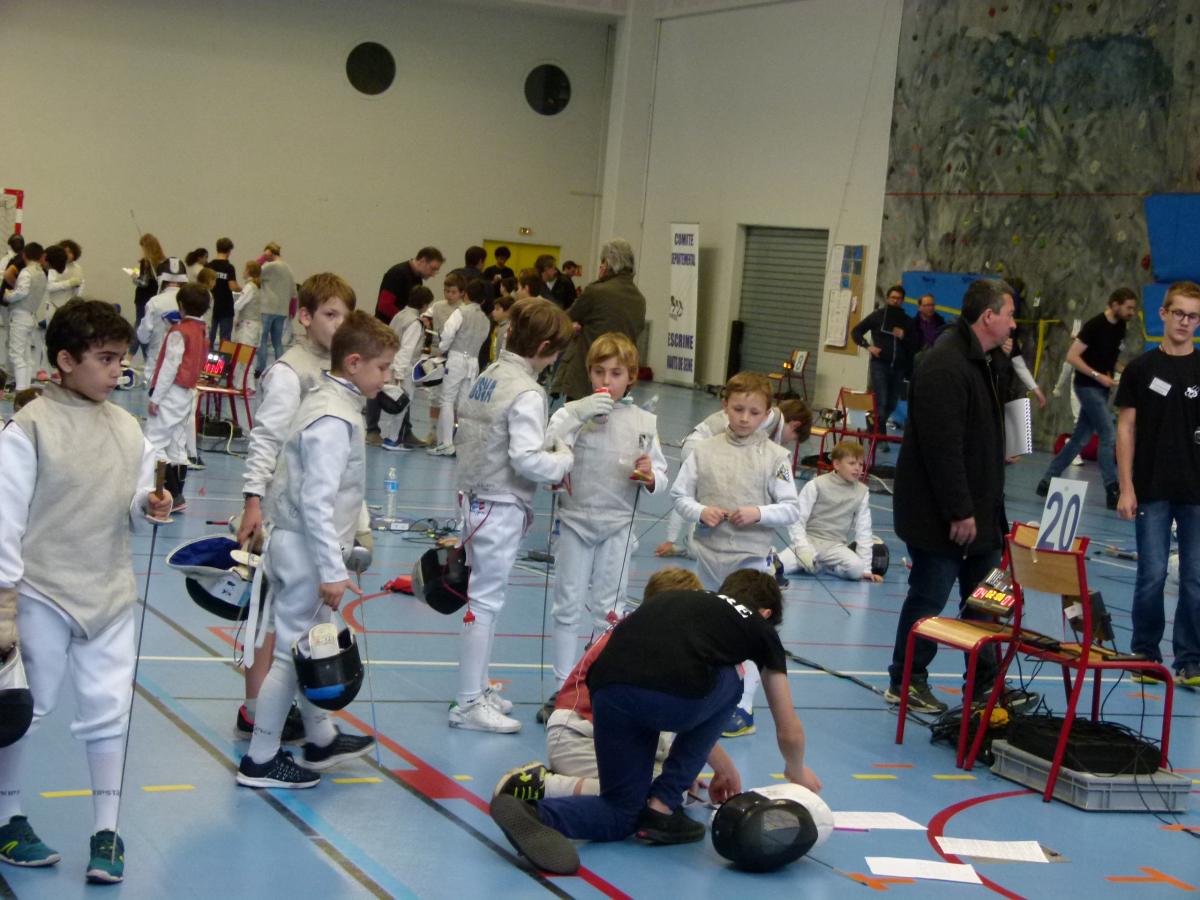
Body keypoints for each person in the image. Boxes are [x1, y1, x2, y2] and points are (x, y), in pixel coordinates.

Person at [489, 570, 821, 874]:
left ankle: (536, 814)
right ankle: (663, 806)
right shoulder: (758, 627)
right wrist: (797, 770)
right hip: (663, 696)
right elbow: (787, 728)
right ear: (766, 614)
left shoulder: (680, 599)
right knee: (735, 679)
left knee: (622, 812)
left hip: (608, 689)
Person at [0, 299, 172, 883]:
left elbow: (132, 499)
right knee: (25, 710)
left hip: (110, 593)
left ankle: (107, 830)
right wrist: (3, 602)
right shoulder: (30, 427)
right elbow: (5, 520)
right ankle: (7, 817)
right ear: (66, 360)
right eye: (104, 358)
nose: (116, 371)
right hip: (42, 591)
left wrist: (150, 504)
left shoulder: (126, 427)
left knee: (109, 713)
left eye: (121, 359)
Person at [236, 311, 397, 789]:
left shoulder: (333, 400)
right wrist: (331, 569)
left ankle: (321, 739)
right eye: (383, 367)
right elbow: (315, 501)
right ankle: (261, 759)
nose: (387, 376)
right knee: (292, 656)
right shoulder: (332, 418)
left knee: (310, 647)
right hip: (304, 550)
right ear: (354, 363)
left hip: (301, 546)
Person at [884, 278, 1016, 714]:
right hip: (940, 514)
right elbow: (942, 447)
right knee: (929, 598)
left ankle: (985, 685)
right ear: (989, 316)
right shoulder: (944, 364)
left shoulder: (988, 362)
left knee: (989, 599)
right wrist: (960, 510)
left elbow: (1007, 416)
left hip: (985, 510)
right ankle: (906, 680)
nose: (1014, 324)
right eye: (1010, 315)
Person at [235, 274, 357, 740]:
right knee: (267, 616)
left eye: (346, 315)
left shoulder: (341, 370)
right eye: (330, 314)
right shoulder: (290, 371)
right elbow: (266, 440)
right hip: (280, 512)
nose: (339, 324)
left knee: (299, 619)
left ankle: (303, 720)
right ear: (305, 317)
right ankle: (254, 710)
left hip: (315, 515)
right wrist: (253, 502)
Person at [496, 567, 734, 801]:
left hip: (599, 736)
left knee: (676, 786)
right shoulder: (646, 644)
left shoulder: (645, 632)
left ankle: (583, 783)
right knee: (660, 795)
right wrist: (723, 769)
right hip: (578, 737)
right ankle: (544, 786)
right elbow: (686, 719)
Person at [450, 297, 575, 733]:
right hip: (498, 504)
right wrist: (563, 460)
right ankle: (469, 703)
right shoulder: (527, 391)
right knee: (484, 602)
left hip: (476, 499)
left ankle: (477, 688)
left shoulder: (489, 375)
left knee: (483, 600)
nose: (555, 361)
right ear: (543, 347)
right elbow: (526, 458)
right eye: (555, 353)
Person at [670, 372, 801, 737]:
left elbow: (791, 508)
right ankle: (709, 694)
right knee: (708, 628)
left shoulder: (775, 456)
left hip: (750, 559)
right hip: (709, 555)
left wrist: (758, 512)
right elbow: (680, 496)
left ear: (767, 414)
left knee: (748, 632)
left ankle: (743, 707)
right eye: (738, 409)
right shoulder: (704, 450)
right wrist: (701, 511)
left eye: (754, 412)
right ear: (725, 406)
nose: (744, 418)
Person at [544, 332, 669, 712]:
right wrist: (575, 415)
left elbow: (662, 478)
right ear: (589, 372)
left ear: (630, 376)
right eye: (599, 371)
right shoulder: (572, 413)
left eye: (616, 373)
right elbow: (546, 447)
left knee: (609, 609)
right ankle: (562, 689)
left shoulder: (644, 421)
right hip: (574, 521)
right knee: (567, 605)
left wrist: (651, 475)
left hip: (618, 525)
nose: (606, 380)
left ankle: (595, 686)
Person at [1116, 281, 1200, 687]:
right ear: (1163, 314)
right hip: (1151, 489)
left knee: (1195, 578)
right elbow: (1126, 429)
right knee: (1151, 574)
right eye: (1179, 313)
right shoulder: (1140, 369)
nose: (1185, 321)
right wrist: (1126, 487)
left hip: (1195, 492)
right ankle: (1145, 654)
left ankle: (1190, 659)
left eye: (1193, 316)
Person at [657, 398, 812, 558]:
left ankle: (673, 541)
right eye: (793, 438)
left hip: (694, 442)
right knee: (701, 500)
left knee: (691, 495)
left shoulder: (770, 426)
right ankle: (694, 546)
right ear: (795, 425)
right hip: (702, 445)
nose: (789, 441)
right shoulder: (770, 417)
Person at [1035, 287, 1138, 510]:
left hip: (1101, 389)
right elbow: (1072, 356)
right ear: (1115, 304)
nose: (1132, 312)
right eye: (1128, 307)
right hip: (1086, 386)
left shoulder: (1121, 327)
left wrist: (1126, 371)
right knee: (1108, 433)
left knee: (1080, 440)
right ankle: (1112, 489)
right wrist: (1097, 375)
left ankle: (1047, 480)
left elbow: (1109, 360)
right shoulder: (1094, 326)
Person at [553, 239, 647, 401]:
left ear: (608, 264)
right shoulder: (639, 299)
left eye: (603, 262)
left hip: (589, 376)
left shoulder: (596, 291)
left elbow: (567, 317)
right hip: (619, 377)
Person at [144, 284, 209, 513]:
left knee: (154, 443)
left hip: (172, 392)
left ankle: (170, 494)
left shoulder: (180, 331)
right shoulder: (202, 331)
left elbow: (169, 367)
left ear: (180, 305)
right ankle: (177, 497)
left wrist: (156, 398)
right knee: (177, 446)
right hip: (188, 393)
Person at [775, 441, 880, 582]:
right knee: (776, 568)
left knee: (857, 570)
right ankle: (808, 562)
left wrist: (866, 568)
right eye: (852, 463)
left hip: (835, 547)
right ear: (836, 464)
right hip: (809, 541)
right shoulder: (816, 485)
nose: (857, 468)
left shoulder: (862, 492)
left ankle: (828, 568)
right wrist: (803, 549)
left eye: (861, 464)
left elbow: (864, 531)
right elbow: (797, 519)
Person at [429, 278, 491, 457]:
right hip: (473, 362)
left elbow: (447, 333)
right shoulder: (486, 320)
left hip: (456, 359)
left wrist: (442, 348)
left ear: (466, 294)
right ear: (483, 300)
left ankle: (446, 443)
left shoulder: (460, 312)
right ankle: (461, 444)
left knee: (447, 400)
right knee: (464, 404)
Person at [850, 284, 913, 445]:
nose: (895, 301)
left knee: (892, 403)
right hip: (880, 364)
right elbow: (856, 331)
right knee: (881, 400)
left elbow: (914, 343)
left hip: (898, 367)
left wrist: (904, 336)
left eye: (899, 298)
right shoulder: (877, 316)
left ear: (903, 300)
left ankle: (874, 429)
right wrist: (868, 346)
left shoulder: (907, 320)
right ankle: (878, 436)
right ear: (887, 298)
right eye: (893, 298)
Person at [381, 285, 433, 451]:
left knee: (394, 403)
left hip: (390, 363)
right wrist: (400, 374)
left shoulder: (399, 315)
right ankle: (392, 439)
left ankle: (391, 437)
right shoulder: (415, 323)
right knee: (401, 404)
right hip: (403, 369)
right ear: (424, 304)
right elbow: (407, 350)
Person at [417, 272, 466, 446]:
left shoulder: (465, 310)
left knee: (454, 400)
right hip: (437, 356)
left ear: (462, 292)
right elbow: (424, 316)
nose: (449, 295)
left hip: (456, 358)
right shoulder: (437, 306)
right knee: (434, 396)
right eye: (446, 291)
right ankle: (433, 433)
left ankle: (453, 436)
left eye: (453, 292)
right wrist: (425, 321)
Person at [135, 257, 188, 383]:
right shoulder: (192, 302)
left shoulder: (155, 302)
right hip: (184, 368)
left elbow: (143, 336)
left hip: (156, 368)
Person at [6, 243, 47, 392]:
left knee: (16, 354)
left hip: (20, 316)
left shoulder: (26, 272)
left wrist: (7, 295)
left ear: (24, 255)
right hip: (31, 317)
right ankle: (26, 389)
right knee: (27, 356)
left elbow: (22, 292)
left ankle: (21, 389)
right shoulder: (42, 273)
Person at [374, 246, 444, 324]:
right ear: (423, 261)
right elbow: (384, 305)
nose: (433, 274)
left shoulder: (418, 279)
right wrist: (410, 320)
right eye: (433, 269)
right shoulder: (397, 273)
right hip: (385, 326)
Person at [257, 242, 297, 375]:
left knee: (262, 340)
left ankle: (260, 369)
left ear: (269, 253)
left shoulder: (270, 266)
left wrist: (262, 258)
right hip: (281, 310)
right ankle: (280, 369)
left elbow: (253, 271)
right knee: (277, 342)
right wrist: (291, 310)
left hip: (267, 308)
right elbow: (294, 292)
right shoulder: (288, 269)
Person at [129, 233, 165, 362]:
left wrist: (134, 278)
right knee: (149, 328)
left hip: (142, 298)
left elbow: (143, 283)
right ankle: (146, 357)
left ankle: (130, 356)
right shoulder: (162, 262)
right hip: (154, 298)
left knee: (140, 327)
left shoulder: (146, 263)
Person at [208, 237, 240, 347]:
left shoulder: (209, 266)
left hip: (211, 305)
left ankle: (206, 357)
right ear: (229, 251)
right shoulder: (229, 267)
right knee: (225, 340)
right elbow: (232, 286)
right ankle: (223, 358)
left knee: (209, 337)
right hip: (225, 306)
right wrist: (242, 289)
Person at [490, 292, 516, 361]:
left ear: (508, 311)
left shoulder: (508, 329)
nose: (493, 312)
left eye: (497, 309)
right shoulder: (500, 327)